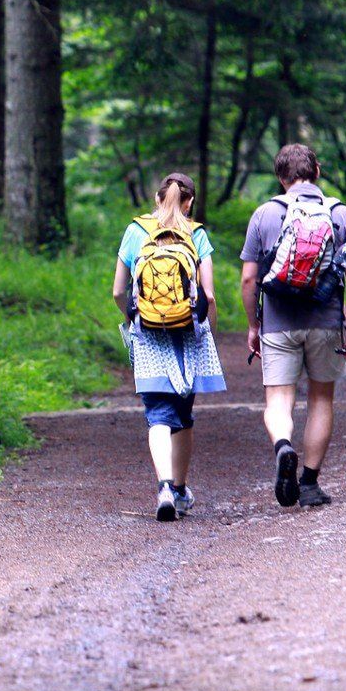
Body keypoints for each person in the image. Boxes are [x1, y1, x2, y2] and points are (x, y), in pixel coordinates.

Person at [239, 144, 346, 508]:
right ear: (318, 170)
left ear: (281, 177)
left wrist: (253, 326)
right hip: (325, 322)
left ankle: (283, 446)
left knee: (279, 400)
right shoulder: (341, 214)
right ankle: (309, 483)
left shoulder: (265, 214)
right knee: (321, 399)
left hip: (278, 323)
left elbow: (250, 279)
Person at [113, 172, 226, 522]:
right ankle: (179, 489)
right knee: (183, 414)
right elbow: (207, 295)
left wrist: (135, 317)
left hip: (148, 334)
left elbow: (118, 291)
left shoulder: (136, 232)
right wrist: (210, 332)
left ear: (157, 198)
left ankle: (163, 485)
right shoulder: (197, 234)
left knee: (158, 414)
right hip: (188, 336)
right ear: (189, 202)